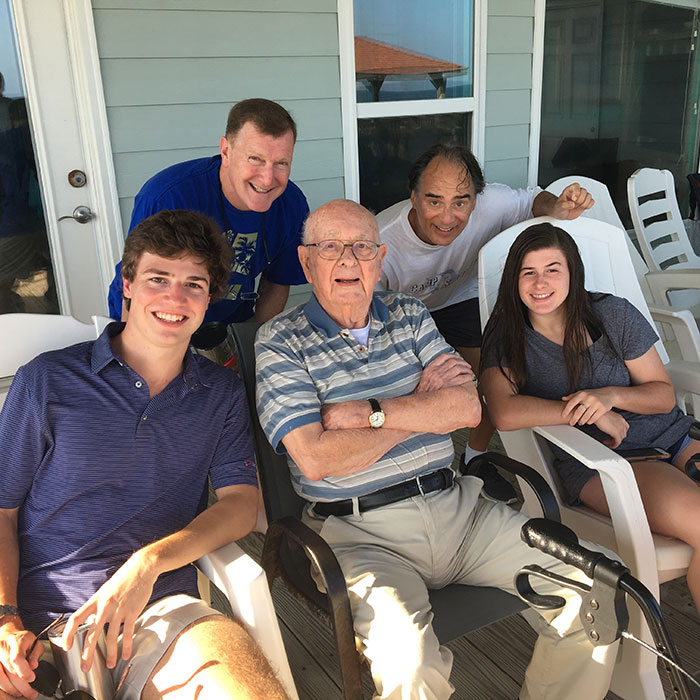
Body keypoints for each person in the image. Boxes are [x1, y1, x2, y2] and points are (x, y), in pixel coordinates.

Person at [255, 199, 619, 700]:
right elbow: (317, 457)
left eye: (361, 247)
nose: (347, 260)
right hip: (362, 535)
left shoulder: (409, 314)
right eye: (330, 248)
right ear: (305, 261)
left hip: (462, 514)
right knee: (410, 663)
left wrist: (369, 413)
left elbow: (468, 409)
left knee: (595, 582)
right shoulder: (281, 341)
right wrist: (421, 404)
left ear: (380, 257)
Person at [0, 210, 289, 700]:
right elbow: (1, 512)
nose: (175, 298)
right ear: (128, 283)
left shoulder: (219, 392)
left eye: (194, 284)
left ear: (209, 300)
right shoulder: (47, 381)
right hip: (35, 623)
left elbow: (241, 503)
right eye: (159, 278)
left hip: (160, 611)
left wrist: (149, 562)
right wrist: (4, 619)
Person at [480, 221, 700, 610]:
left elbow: (662, 396)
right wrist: (587, 414)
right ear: (514, 279)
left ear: (572, 273)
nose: (539, 282)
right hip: (606, 463)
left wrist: (608, 397)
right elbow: (504, 412)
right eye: (527, 272)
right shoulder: (508, 335)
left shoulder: (612, 314)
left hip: (674, 437)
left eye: (552, 269)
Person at [376, 144, 593, 502]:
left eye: (460, 202)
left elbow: (532, 200)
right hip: (399, 312)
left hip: (458, 299)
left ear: (476, 199)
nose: (447, 217)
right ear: (413, 197)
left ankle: (475, 459)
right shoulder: (382, 241)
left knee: (501, 374)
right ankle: (404, 470)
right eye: (434, 201)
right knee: (401, 387)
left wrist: (555, 207)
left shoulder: (492, 201)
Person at [107, 98, 309, 331]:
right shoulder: (169, 196)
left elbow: (278, 279)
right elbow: (139, 283)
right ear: (226, 151)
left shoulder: (291, 204)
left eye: (281, 163)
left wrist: (254, 340)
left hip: (230, 319)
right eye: (255, 159)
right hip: (157, 316)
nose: (267, 178)